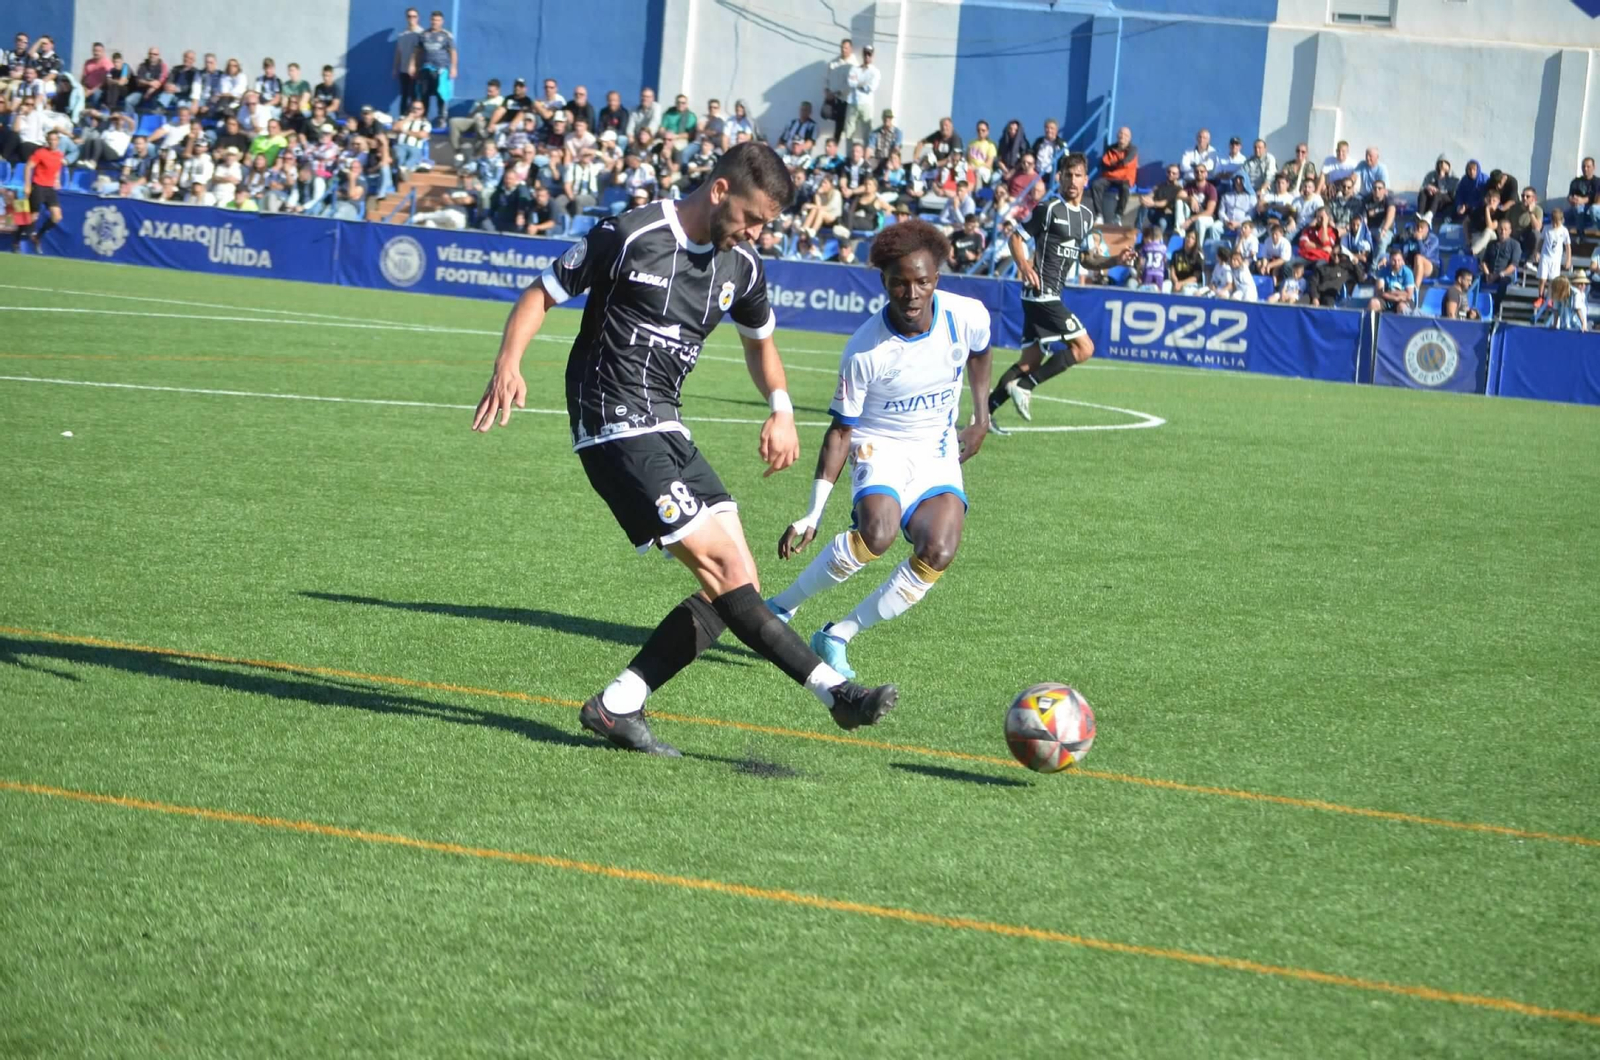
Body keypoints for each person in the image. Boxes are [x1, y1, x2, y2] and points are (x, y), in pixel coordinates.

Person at [470, 141, 897, 755]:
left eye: (766, 225)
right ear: (719, 191)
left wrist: (780, 408)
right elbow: (539, 293)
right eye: (752, 218)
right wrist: (509, 363)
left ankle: (618, 704)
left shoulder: (742, 267)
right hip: (612, 425)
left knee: (738, 581)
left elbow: (760, 344)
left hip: (669, 427)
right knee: (726, 571)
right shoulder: (630, 234)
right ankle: (837, 695)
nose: (755, 233)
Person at [765, 219, 993, 679]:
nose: (911, 294)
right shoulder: (866, 350)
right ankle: (780, 608)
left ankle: (837, 635)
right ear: (883, 282)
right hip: (879, 442)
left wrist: (981, 417)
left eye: (922, 282)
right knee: (878, 534)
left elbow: (981, 351)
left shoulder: (967, 316)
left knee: (939, 550)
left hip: (937, 448)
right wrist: (813, 512)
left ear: (937, 280)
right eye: (899, 283)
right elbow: (840, 432)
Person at [985, 153, 1133, 431]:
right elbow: (1017, 237)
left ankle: (982, 416)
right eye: (1068, 175)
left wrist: (1116, 260)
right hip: (1042, 294)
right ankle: (1025, 387)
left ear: (1086, 180)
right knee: (1085, 347)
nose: (1072, 180)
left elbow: (1087, 259)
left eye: (1078, 175)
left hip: (1048, 296)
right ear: (1060, 178)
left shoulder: (1086, 217)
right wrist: (1024, 264)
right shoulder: (1049, 208)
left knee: (1030, 361)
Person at [15, 128, 64, 253]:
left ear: (58, 141)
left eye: (55, 140)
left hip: (49, 188)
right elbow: (28, 167)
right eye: (50, 140)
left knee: (57, 216)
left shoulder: (59, 155)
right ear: (47, 141)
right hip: (38, 186)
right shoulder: (40, 153)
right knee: (32, 217)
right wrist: (27, 185)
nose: (53, 142)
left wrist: (57, 180)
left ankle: (37, 236)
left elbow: (57, 169)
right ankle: (16, 240)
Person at [1092, 126, 1137, 223]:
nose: (1122, 136)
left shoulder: (1133, 150)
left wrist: (1114, 163)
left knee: (1125, 188)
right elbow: (1105, 163)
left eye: (1126, 135)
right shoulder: (1110, 148)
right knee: (1096, 185)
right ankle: (1099, 215)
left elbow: (1126, 162)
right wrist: (1117, 164)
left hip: (1125, 178)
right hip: (1109, 177)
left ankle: (1118, 216)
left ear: (1129, 138)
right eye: (1121, 134)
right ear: (1117, 135)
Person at [1535, 208, 1572, 303]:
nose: (1555, 225)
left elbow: (1568, 246)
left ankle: (1550, 298)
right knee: (1542, 279)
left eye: (1557, 222)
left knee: (1553, 280)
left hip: (1555, 259)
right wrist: (1537, 252)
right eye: (1553, 222)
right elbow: (1541, 241)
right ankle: (1540, 297)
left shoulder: (1564, 231)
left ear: (1561, 221)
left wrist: (1568, 260)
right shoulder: (1547, 228)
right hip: (1545, 257)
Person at [1368, 247, 1415, 313]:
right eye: (1394, 260)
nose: (1397, 263)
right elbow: (1379, 291)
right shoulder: (1383, 271)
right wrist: (1395, 297)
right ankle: (1372, 323)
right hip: (1386, 299)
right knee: (1373, 303)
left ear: (1402, 261)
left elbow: (1408, 295)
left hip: (1402, 300)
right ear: (1389, 260)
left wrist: (1391, 292)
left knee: (1402, 307)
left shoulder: (1408, 273)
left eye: (1399, 260)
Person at [1568, 158, 1597, 237]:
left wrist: (1584, 200)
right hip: (1576, 209)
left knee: (1586, 208)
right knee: (1559, 216)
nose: (1585, 169)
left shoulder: (1597, 182)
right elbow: (1570, 195)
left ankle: (1581, 235)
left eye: (1588, 167)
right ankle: (1578, 235)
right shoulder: (1576, 181)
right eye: (1584, 166)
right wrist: (1571, 200)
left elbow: (1597, 198)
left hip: (1591, 211)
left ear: (1594, 167)